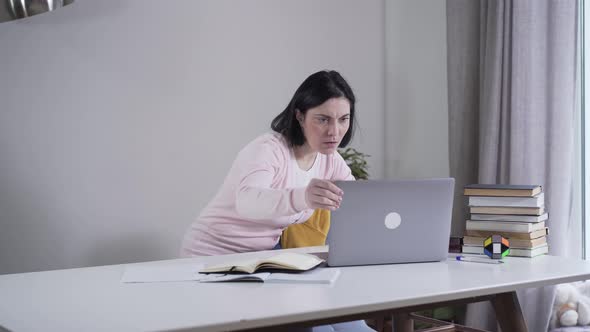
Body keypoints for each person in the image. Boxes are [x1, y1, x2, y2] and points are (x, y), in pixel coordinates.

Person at [180, 70, 373, 331]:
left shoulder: (330, 160)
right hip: (212, 259)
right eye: (323, 119)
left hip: (260, 262)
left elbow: (361, 202)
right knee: (316, 326)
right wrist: (302, 196)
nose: (334, 131)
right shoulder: (268, 149)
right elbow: (248, 201)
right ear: (300, 116)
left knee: (352, 323)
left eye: (343, 119)